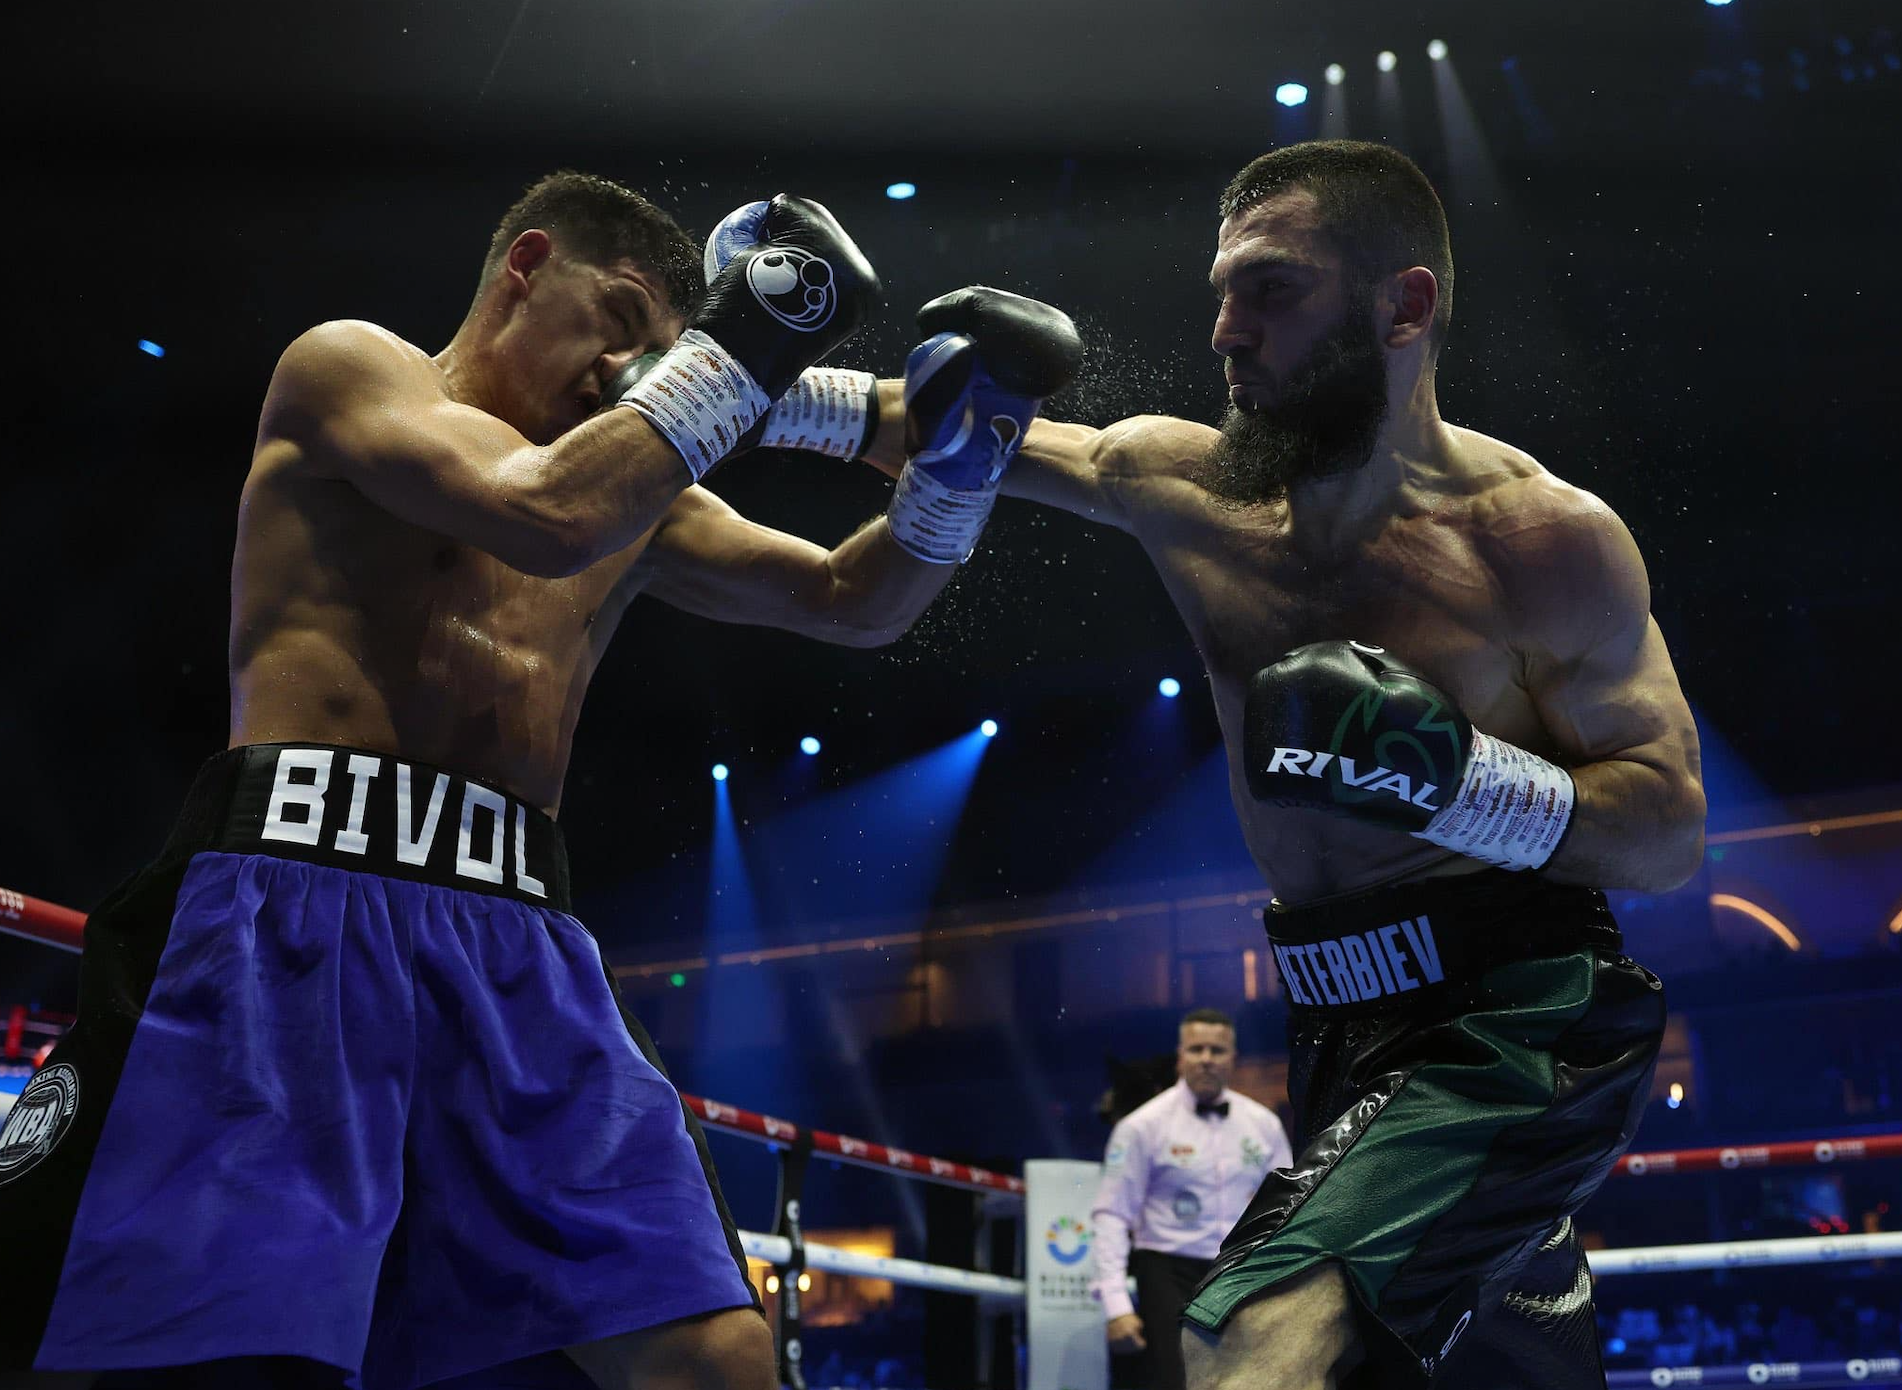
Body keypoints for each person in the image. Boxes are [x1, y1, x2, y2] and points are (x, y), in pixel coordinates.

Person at [0, 172, 1079, 1387]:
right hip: (290, 915)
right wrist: (756, 344)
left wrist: (956, 473)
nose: (635, 370)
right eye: (619, 317)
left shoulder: (637, 496)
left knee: (716, 1357)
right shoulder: (352, 370)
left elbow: (853, 600)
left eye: (668, 352)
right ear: (526, 266)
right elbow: (541, 512)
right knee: (194, 1353)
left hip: (522, 954)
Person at [867, 141, 1705, 1388]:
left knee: (1250, 1333)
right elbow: (947, 429)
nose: (1223, 331)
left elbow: (1669, 832)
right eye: (1221, 290)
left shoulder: (1537, 539)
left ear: (1403, 306)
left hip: (1519, 1009)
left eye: (1271, 290)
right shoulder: (1183, 485)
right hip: (1333, 1021)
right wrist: (713, 379)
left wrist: (1457, 779)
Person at [1090, 1009, 1291, 1390]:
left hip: (1240, 1272)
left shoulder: (1263, 1125)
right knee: (1176, 1382)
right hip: (1166, 1271)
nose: (1206, 1058)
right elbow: (1112, 1215)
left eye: (1216, 1050)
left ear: (1232, 1058)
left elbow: (1286, 1212)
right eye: (1196, 1049)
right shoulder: (1141, 1127)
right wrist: (1115, 1305)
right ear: (1181, 1056)